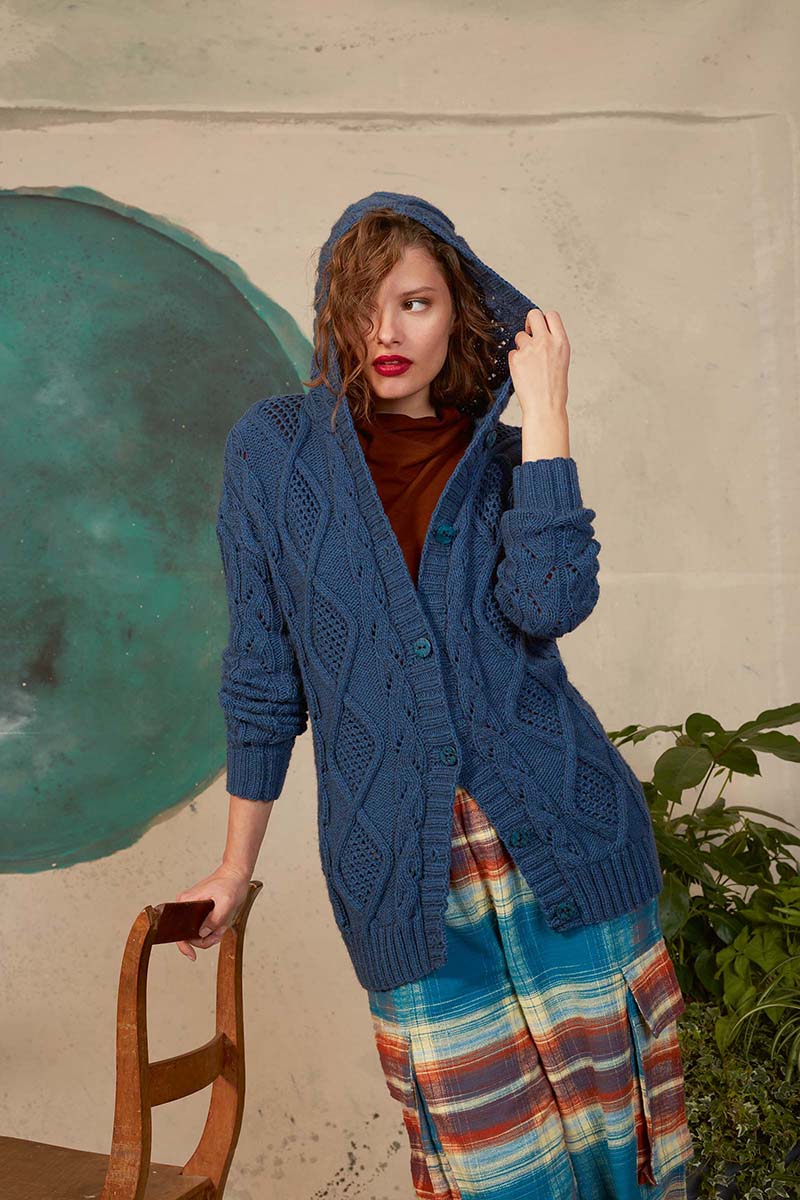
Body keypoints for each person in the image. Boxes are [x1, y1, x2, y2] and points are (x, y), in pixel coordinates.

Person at [175, 192, 695, 1199]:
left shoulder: (500, 458)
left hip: (567, 839)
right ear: (332, 311)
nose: (387, 332)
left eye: (414, 303)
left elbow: (550, 604)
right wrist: (234, 868)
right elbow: (263, 672)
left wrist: (546, 416)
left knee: (620, 1162)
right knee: (488, 1169)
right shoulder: (275, 454)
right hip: (399, 872)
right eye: (364, 305)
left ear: (457, 311)